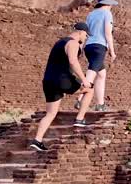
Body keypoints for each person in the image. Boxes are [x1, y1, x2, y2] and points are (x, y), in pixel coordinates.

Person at [29, 23, 95, 151]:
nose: (86, 38)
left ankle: (37, 141)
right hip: (62, 80)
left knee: (50, 113)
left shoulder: (59, 42)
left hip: (48, 81)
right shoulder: (73, 43)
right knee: (89, 90)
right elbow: (73, 61)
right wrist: (84, 80)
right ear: (81, 32)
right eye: (86, 35)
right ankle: (79, 119)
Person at [75, 0, 118, 126]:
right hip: (100, 46)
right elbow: (108, 33)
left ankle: (100, 104)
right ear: (107, 4)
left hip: (89, 46)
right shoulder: (107, 13)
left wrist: (81, 47)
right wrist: (112, 50)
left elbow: (85, 32)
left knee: (101, 74)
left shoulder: (91, 14)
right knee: (92, 72)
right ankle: (80, 99)